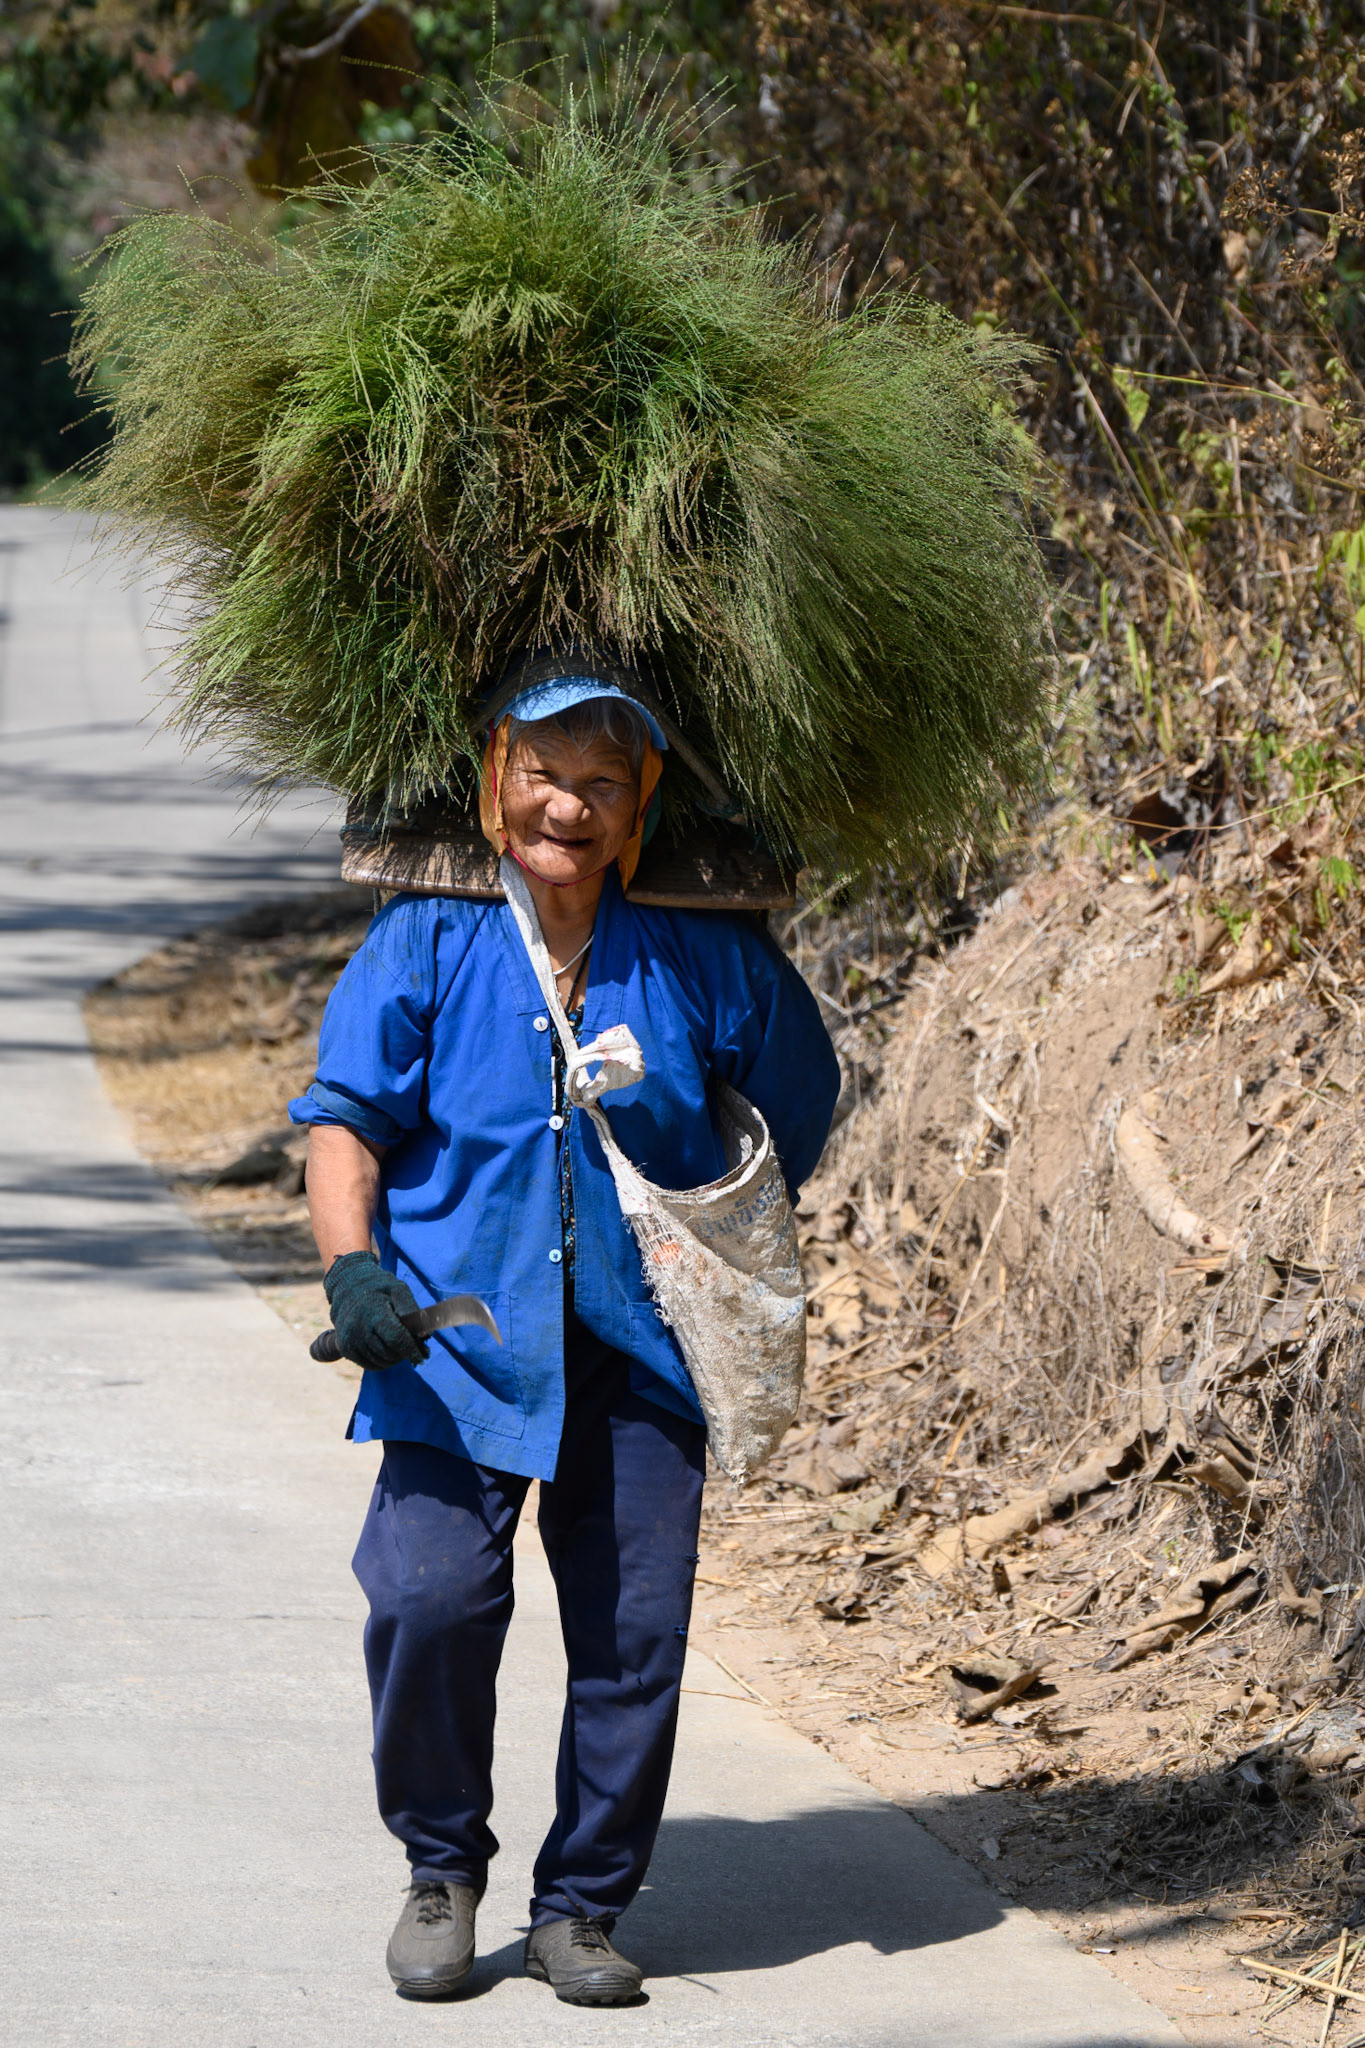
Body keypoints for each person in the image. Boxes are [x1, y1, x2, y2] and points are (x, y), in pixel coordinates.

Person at [291, 651, 840, 2006]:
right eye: (545, 774)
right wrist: (354, 1273)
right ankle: (439, 1866)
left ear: (642, 803)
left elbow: (786, 1129)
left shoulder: (707, 958)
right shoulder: (429, 936)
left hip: (640, 1348)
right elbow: (344, 1119)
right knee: (426, 1597)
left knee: (635, 1630)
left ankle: (582, 1907)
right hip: (453, 1341)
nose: (569, 809)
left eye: (603, 783)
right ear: (494, 781)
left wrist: (689, 1186)